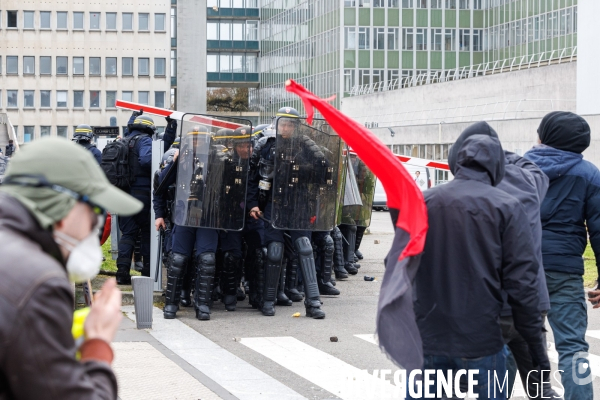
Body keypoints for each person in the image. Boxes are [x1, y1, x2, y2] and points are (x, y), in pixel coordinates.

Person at [409, 127, 550, 398]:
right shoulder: (518, 195)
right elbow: (522, 281)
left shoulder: (428, 201)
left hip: (444, 326)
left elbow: (401, 265)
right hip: (499, 326)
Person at [0, 137, 143, 399]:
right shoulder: (38, 283)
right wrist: (97, 344)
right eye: (95, 210)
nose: (95, 225)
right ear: (65, 204)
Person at [448, 121, 556, 399]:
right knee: (538, 383)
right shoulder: (530, 183)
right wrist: (498, 152)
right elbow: (535, 169)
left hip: (482, 307)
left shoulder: (457, 196)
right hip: (529, 304)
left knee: (481, 384)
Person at [525, 111, 600, 400]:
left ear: (543, 137)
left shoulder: (515, 169)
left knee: (510, 340)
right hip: (563, 271)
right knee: (572, 347)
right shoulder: (589, 174)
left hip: (517, 269)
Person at [248, 107, 326, 319]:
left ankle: (314, 303)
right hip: (273, 204)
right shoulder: (266, 146)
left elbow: (324, 170)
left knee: (305, 249)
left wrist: (303, 165)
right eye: (283, 123)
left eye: (290, 124)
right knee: (274, 251)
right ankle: (268, 300)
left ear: (296, 126)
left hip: (299, 203)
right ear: (277, 124)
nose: (286, 127)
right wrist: (253, 204)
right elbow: (252, 179)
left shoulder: (306, 146)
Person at [116, 111, 175, 284]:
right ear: (149, 129)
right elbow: (147, 160)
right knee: (147, 233)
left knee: (127, 234)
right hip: (141, 194)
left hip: (123, 195)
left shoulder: (124, 141)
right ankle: (147, 275)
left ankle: (122, 273)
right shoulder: (145, 140)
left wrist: (132, 115)